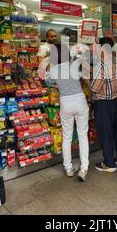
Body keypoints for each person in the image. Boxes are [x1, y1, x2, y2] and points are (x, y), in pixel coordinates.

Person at [49, 43, 90, 181]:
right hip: (79, 101)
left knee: (66, 137)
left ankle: (68, 168)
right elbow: (84, 75)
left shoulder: (53, 70)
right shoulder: (74, 65)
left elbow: (50, 81)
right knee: (82, 135)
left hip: (65, 103)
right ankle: (84, 168)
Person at [91, 37, 117, 173]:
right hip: (116, 101)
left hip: (103, 103)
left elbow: (95, 87)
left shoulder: (100, 65)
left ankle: (109, 163)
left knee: (105, 133)